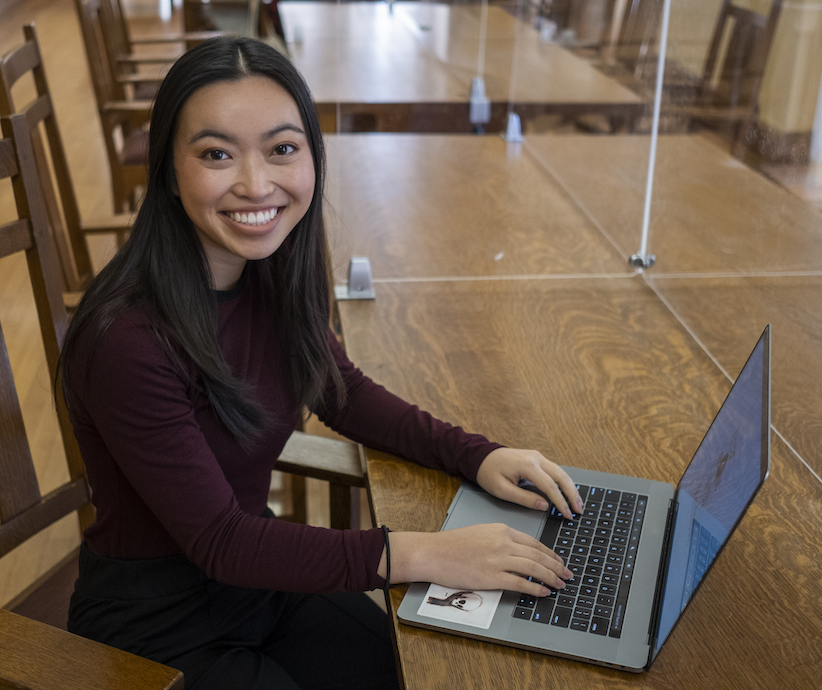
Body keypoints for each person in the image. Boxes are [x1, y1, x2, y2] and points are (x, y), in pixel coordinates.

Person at [59, 36, 583, 690]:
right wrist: (426, 553)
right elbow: (219, 540)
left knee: (416, 672)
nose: (256, 184)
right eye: (216, 154)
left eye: (282, 149)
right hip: (157, 627)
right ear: (168, 168)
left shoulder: (274, 266)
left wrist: (474, 454)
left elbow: (339, 390)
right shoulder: (126, 337)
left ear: (312, 157)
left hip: (259, 584)